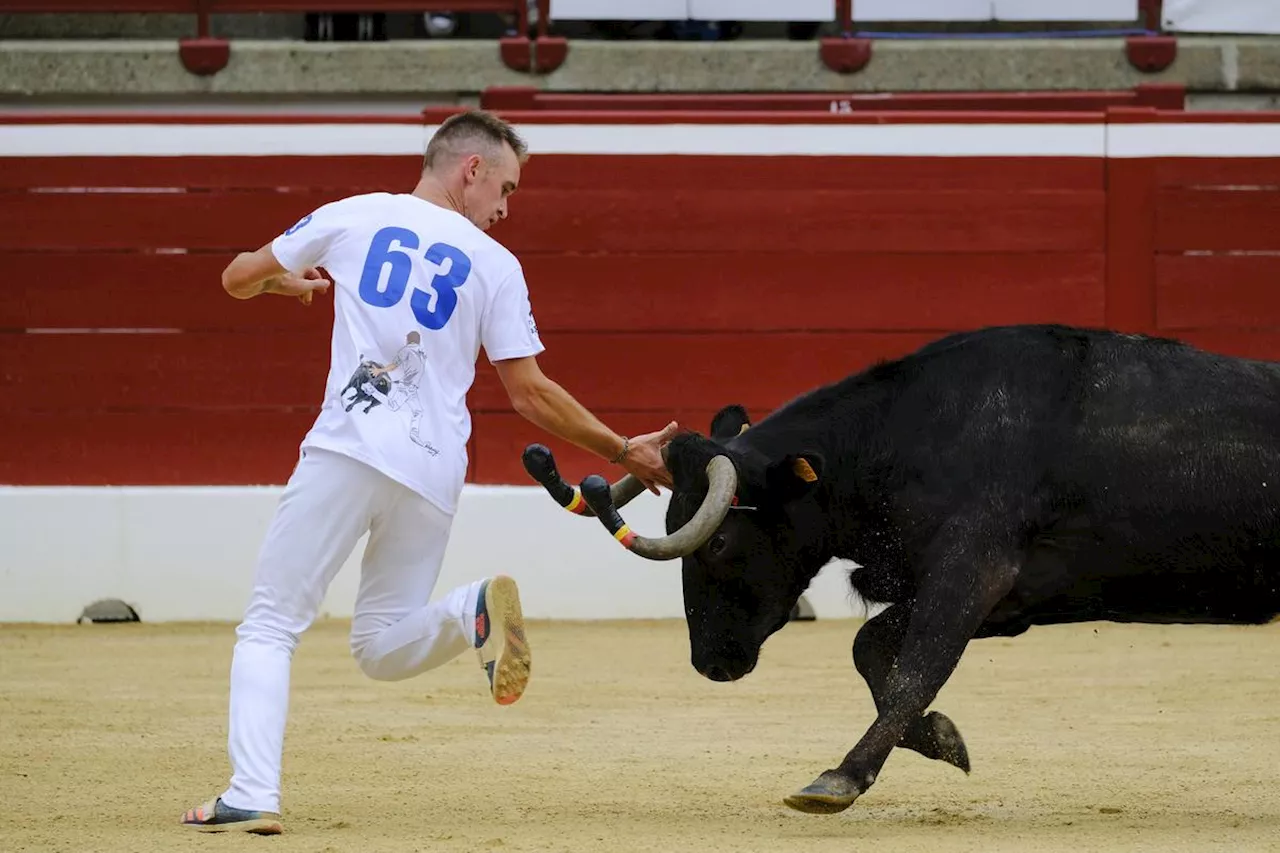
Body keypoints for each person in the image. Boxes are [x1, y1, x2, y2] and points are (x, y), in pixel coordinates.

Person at [181, 109, 677, 835]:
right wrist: (619, 448)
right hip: (436, 467)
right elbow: (530, 392)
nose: (504, 209)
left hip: (350, 447)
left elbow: (235, 278)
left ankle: (252, 789)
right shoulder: (496, 265)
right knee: (380, 645)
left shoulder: (353, 215)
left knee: (270, 624)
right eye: (503, 189)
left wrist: (277, 286)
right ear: (469, 170)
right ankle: (468, 605)